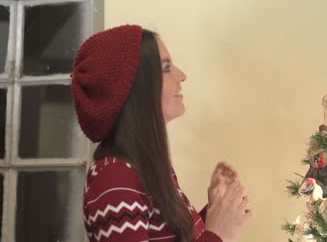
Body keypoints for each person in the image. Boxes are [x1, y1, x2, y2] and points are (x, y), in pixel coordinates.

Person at [71, 25, 252, 242]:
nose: (181, 75)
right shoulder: (114, 178)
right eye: (166, 68)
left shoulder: (147, 170)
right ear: (138, 89)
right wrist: (217, 234)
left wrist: (215, 213)